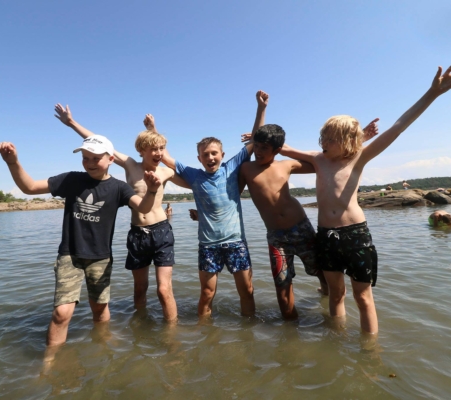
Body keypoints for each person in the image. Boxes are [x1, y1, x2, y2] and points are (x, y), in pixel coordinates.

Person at [279, 65, 451, 334]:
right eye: (323, 137)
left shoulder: (359, 157)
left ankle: (369, 351)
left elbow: (398, 127)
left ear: (348, 141)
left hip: (355, 235)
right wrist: (257, 137)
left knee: (363, 297)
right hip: (326, 236)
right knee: (336, 295)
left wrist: (433, 93)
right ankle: (337, 344)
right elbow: (283, 147)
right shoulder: (317, 158)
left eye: (330, 138)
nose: (323, 142)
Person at [0, 136, 161, 346]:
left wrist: (152, 191)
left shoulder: (119, 187)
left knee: (100, 309)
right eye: (85, 158)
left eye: (96, 158)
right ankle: (51, 359)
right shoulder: (71, 180)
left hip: (100, 258)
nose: (90, 163)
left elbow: (144, 207)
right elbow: (29, 187)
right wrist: (13, 162)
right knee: (61, 313)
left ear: (111, 159)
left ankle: (102, 350)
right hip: (69, 255)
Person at [54, 105, 189, 323]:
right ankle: (141, 328)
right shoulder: (130, 165)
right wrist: (71, 123)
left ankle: (172, 335)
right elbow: (100, 144)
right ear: (141, 150)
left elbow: (196, 184)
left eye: (161, 149)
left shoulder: (166, 172)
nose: (158, 153)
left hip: (162, 232)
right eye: (153, 149)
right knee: (140, 289)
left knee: (164, 290)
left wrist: (153, 130)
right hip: (138, 233)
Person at [239, 114, 378, 319]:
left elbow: (331, 160)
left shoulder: (287, 165)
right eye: (256, 146)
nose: (258, 151)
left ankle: (328, 303)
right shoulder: (246, 168)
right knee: (282, 287)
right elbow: (231, 195)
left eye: (264, 148)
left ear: (277, 150)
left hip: (301, 228)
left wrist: (358, 140)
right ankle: (291, 329)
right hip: (276, 237)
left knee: (322, 274)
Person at [160, 91, 269, 318]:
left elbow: (254, 141)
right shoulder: (194, 175)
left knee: (247, 291)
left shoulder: (232, 168)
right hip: (208, 245)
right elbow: (166, 158)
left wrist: (261, 108)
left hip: (236, 242)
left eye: (214, 153)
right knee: (207, 293)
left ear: (222, 154)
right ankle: (203, 331)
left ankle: (248, 330)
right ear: (199, 158)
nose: (210, 157)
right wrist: (153, 129)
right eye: (205, 154)